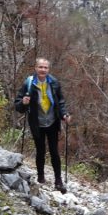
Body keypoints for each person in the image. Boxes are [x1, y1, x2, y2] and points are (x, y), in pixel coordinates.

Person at [14, 57, 70, 192]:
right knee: (40, 151)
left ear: (48, 69)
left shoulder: (54, 83)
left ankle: (58, 180)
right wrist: (24, 103)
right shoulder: (29, 83)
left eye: (45, 68)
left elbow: (60, 101)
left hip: (52, 121)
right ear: (35, 68)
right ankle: (40, 177)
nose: (43, 70)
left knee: (54, 151)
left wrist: (64, 114)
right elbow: (18, 105)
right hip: (37, 123)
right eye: (40, 67)